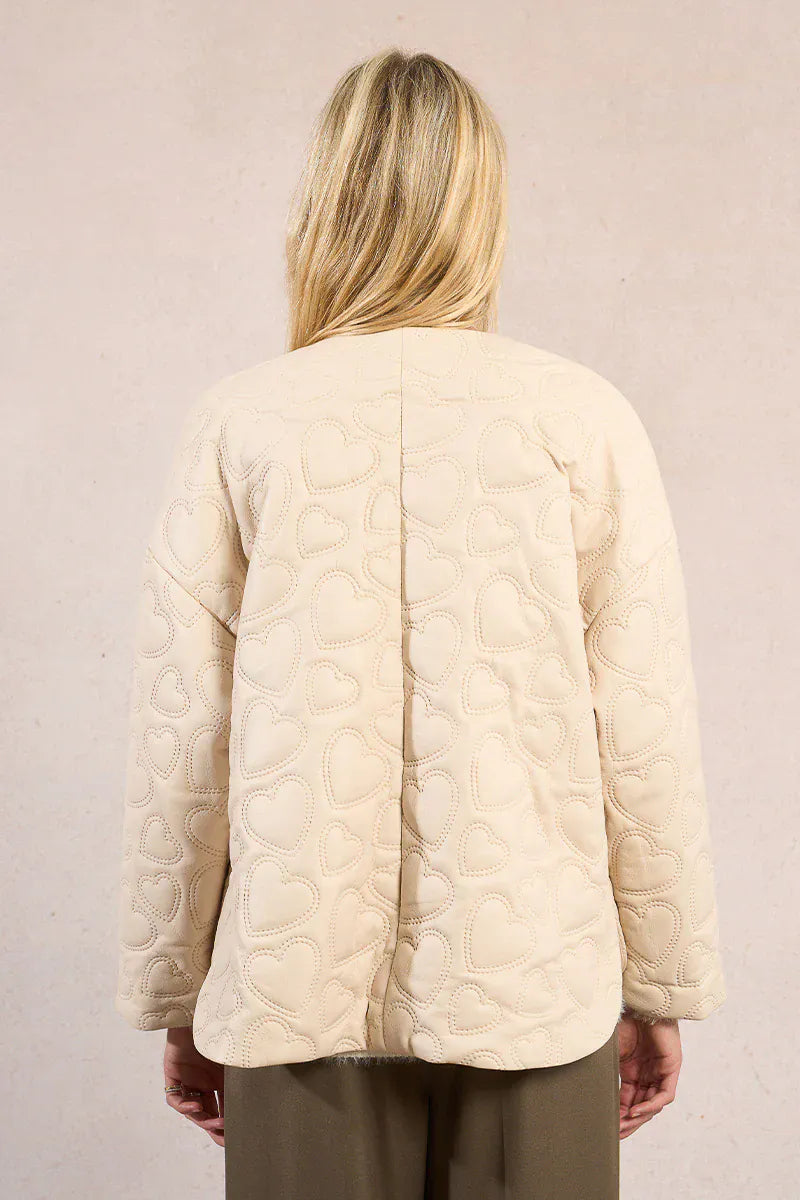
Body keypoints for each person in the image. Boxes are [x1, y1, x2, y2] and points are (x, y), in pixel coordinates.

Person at [114, 48, 726, 1200]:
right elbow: (639, 730)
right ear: (479, 206)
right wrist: (657, 986)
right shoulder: (580, 419)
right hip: (533, 991)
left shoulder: (242, 423)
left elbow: (184, 739)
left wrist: (180, 993)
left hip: (293, 998)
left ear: (323, 202)